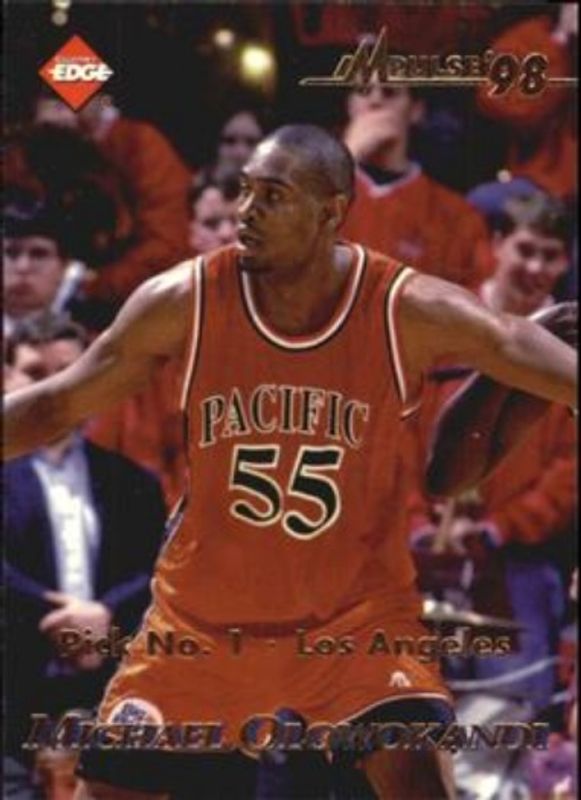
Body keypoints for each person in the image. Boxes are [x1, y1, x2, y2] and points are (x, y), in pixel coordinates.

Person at [4, 124, 577, 800]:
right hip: (202, 624)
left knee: (418, 781)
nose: (245, 211)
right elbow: (60, 401)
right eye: (245, 190)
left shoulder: (405, 305)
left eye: (272, 196)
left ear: (331, 211)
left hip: (353, 624)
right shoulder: (185, 298)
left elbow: (515, 345)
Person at [4, 313, 166, 799]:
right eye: (34, 373)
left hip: (105, 688)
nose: (52, 387)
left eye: (67, 373)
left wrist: (103, 615)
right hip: (12, 685)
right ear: (6, 377)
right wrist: (59, 616)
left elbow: (155, 570)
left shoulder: (132, 481)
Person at [340, 82, 493, 291]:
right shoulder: (321, 190)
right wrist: (346, 158)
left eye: (389, 92)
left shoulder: (456, 214)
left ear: (415, 111)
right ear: (350, 105)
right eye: (363, 91)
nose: (375, 101)